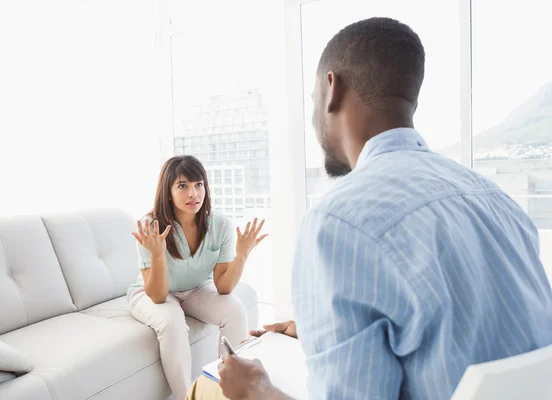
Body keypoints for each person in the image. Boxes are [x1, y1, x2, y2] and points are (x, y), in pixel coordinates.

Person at [188, 16, 552, 400]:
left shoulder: (338, 223)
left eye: (312, 101)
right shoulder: (493, 198)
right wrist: (319, 328)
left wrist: (255, 390)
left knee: (206, 388)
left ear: (332, 89)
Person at [127, 155, 268, 400]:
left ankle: (230, 391)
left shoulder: (219, 224)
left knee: (235, 310)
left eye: (198, 184)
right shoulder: (150, 225)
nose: (193, 193)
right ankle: (187, 397)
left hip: (195, 289)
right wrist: (158, 255)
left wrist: (242, 255)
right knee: (171, 322)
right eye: (183, 186)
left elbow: (224, 287)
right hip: (152, 293)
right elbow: (158, 297)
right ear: (167, 191)